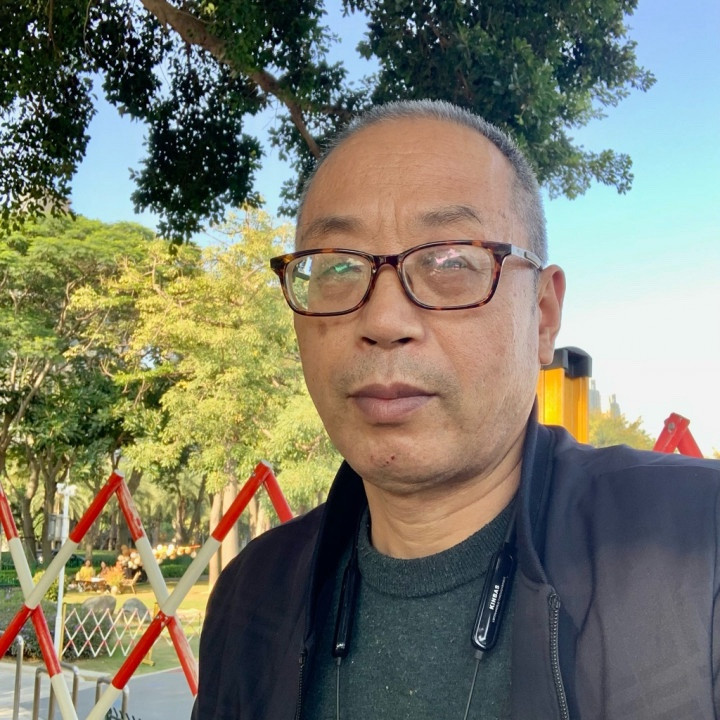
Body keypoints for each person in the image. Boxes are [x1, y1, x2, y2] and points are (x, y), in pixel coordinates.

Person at [193, 100, 720, 720]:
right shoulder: (251, 598)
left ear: (543, 315)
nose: (384, 320)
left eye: (449, 262)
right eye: (337, 267)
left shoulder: (698, 548)